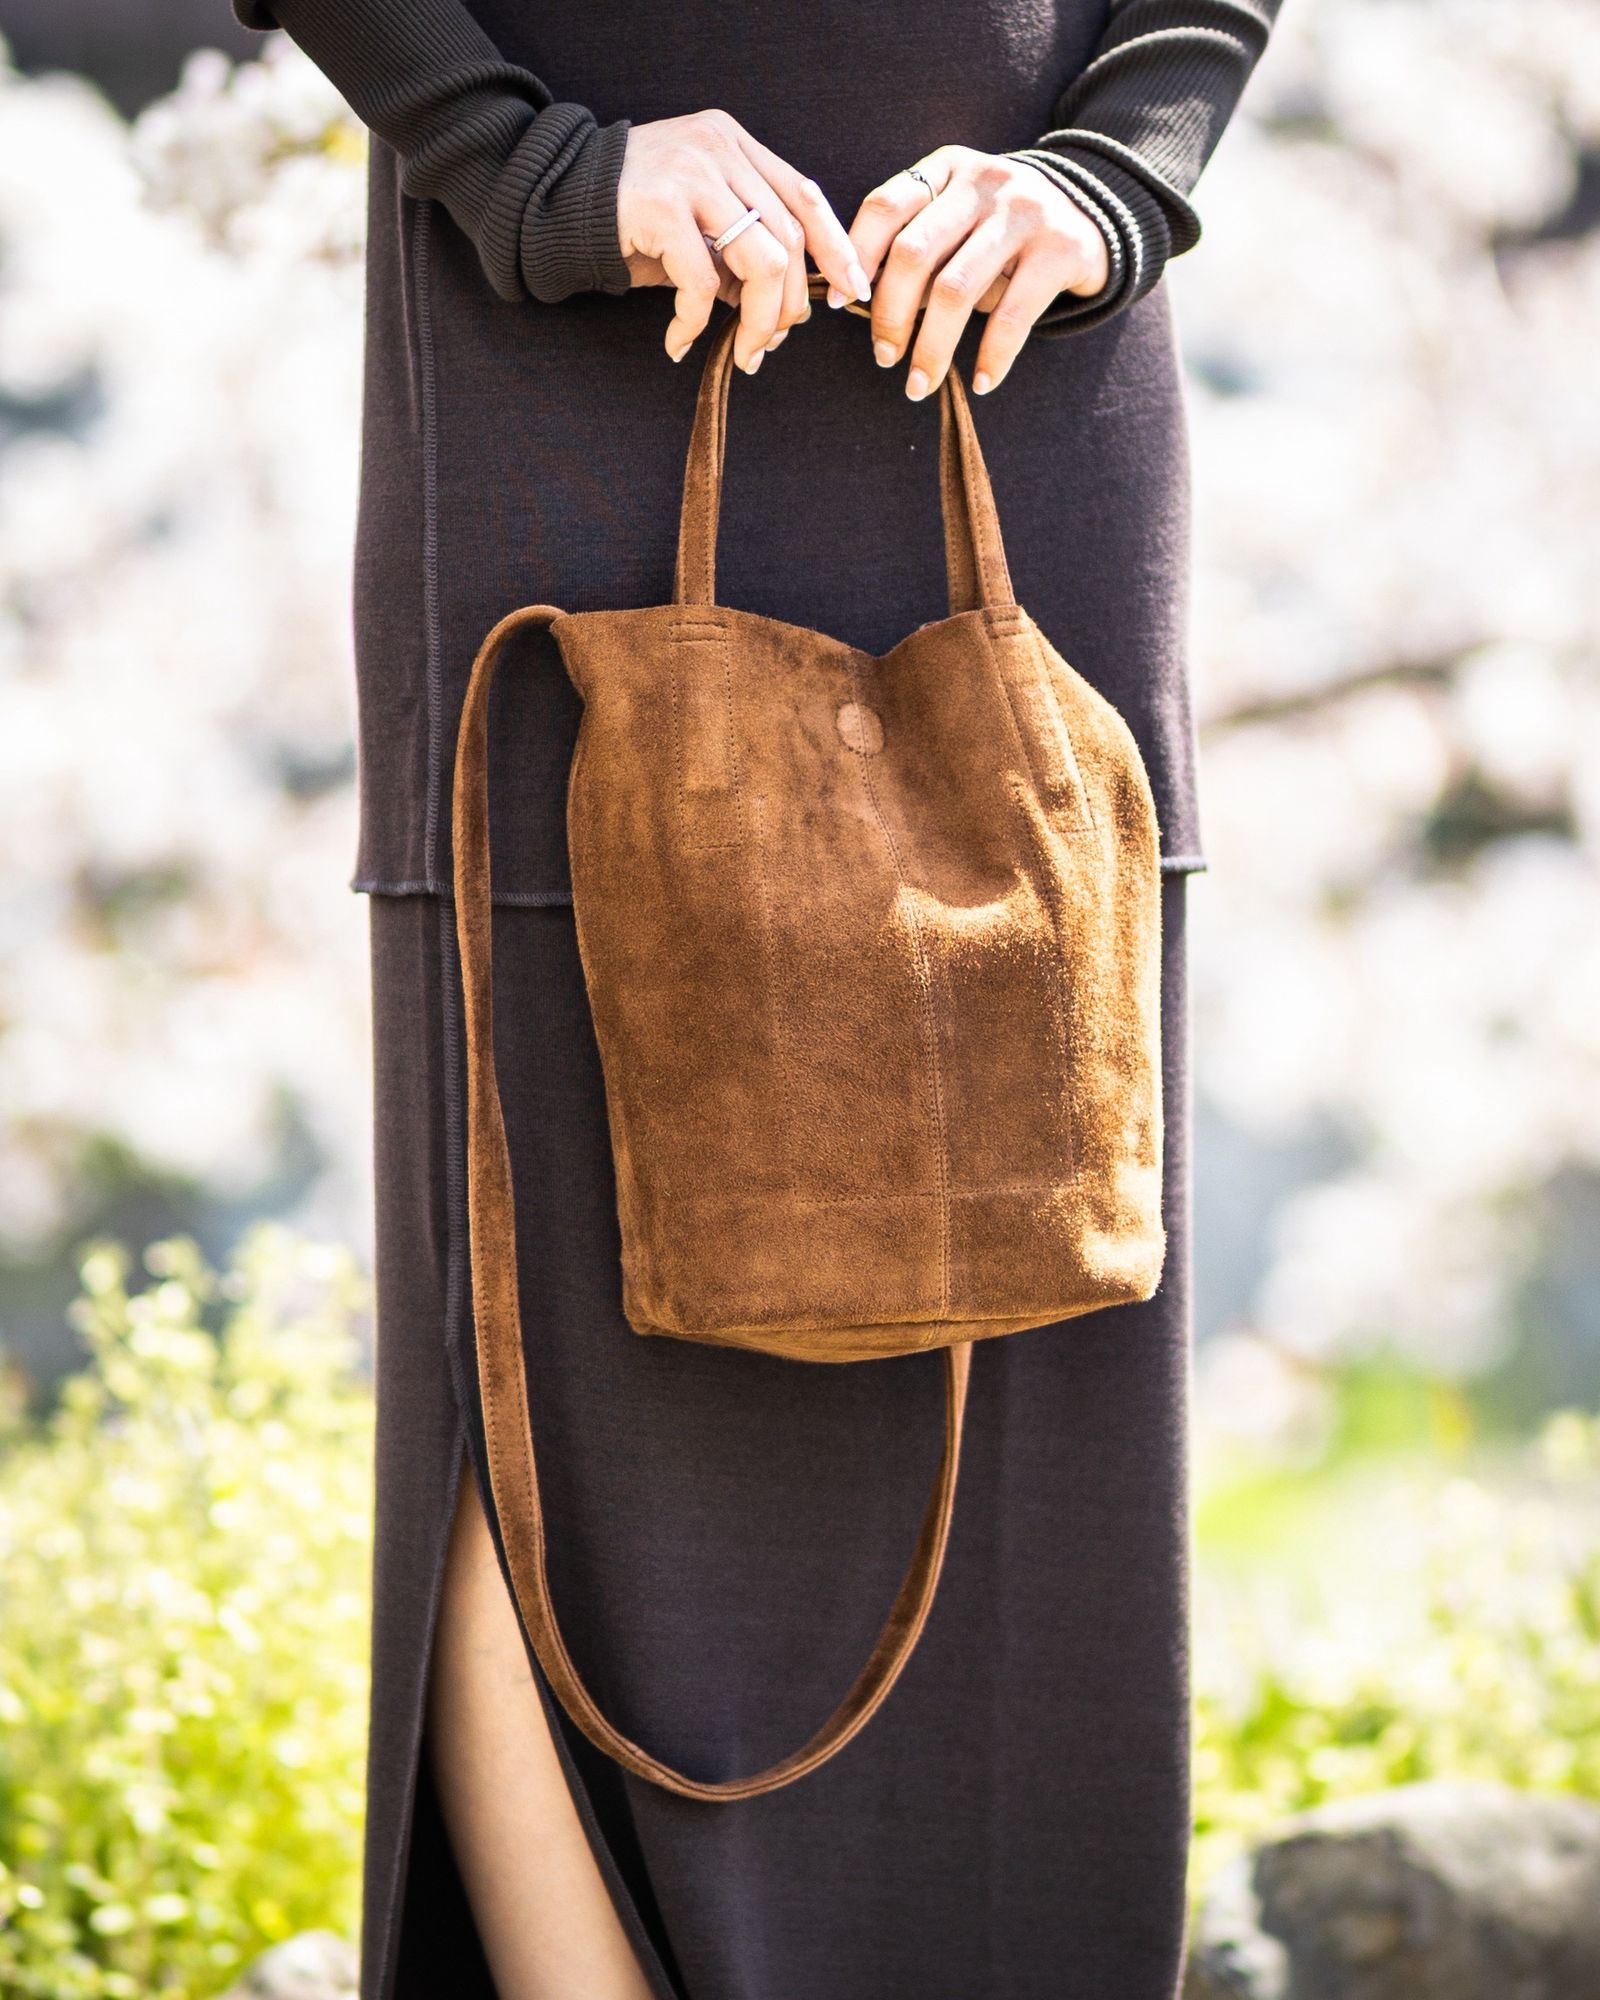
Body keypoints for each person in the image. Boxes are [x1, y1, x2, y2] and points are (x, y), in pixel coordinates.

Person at [228, 3, 1281, 1995]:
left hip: (1023, 381)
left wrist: (1119, 167)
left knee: (1038, 1311)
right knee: (542, 1339)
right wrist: (522, 160)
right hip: (565, 385)